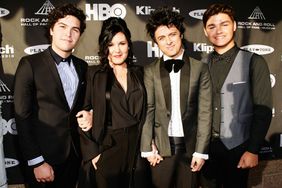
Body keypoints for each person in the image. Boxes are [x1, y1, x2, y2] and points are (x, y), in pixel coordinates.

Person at [13, 3, 87, 188]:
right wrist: (36, 161)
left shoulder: (82, 67)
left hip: (75, 156)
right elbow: (22, 117)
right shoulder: (30, 64)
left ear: (79, 35)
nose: (68, 34)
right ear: (52, 30)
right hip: (44, 159)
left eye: (75, 29)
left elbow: (85, 105)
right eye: (62, 26)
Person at [200, 3, 273, 188]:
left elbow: (263, 110)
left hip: (239, 148)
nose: (218, 30)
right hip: (206, 150)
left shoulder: (254, 62)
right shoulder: (200, 64)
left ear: (234, 26)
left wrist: (253, 150)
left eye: (224, 24)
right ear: (205, 31)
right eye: (212, 26)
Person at [140, 6, 212, 188]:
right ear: (156, 43)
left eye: (172, 34)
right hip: (161, 149)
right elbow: (148, 110)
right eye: (161, 38)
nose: (168, 42)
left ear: (180, 34)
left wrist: (200, 152)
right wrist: (147, 146)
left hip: (190, 149)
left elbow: (205, 112)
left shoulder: (200, 69)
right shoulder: (149, 71)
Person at [76, 17, 149, 188]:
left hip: (136, 148)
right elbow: (82, 114)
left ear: (128, 45)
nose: (117, 49)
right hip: (107, 147)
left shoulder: (140, 73)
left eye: (121, 43)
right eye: (111, 44)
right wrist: (93, 153)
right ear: (105, 47)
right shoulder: (95, 74)